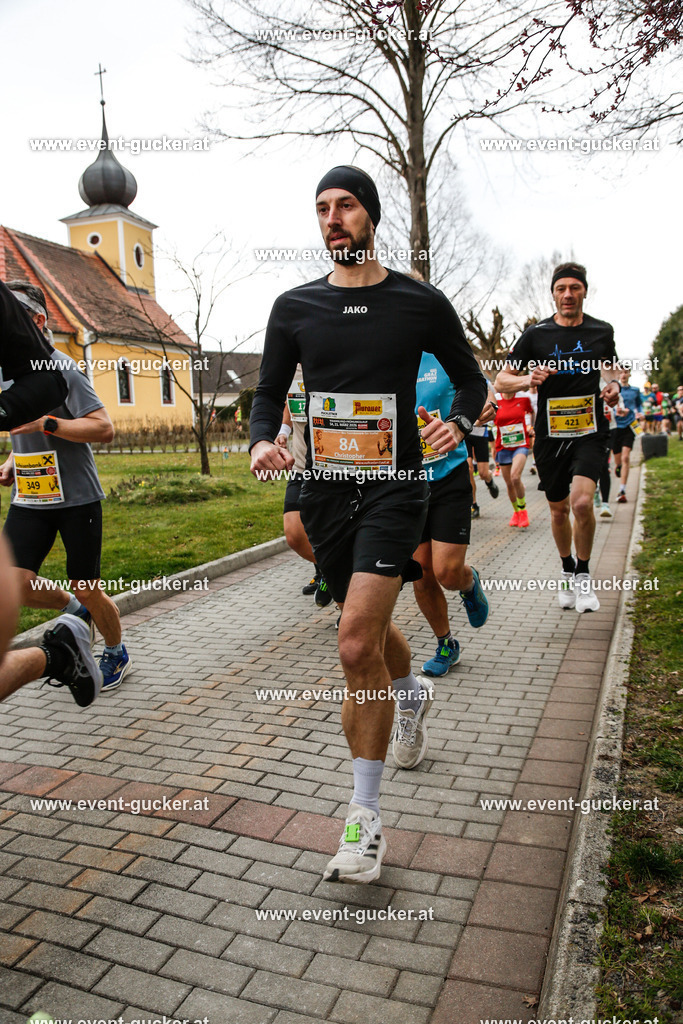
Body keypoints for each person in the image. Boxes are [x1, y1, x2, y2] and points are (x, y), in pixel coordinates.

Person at [250, 165, 487, 883]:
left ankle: (364, 819)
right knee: (370, 632)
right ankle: (410, 692)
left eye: (345, 205)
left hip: (394, 487)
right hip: (324, 490)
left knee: (354, 643)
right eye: (321, 207)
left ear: (369, 216)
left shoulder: (417, 302)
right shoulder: (294, 306)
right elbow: (266, 393)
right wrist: (264, 438)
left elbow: (470, 377)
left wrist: (458, 420)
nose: (332, 218)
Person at [0, 281, 131, 691]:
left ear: (36, 321)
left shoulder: (60, 367)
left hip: (76, 498)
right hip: (32, 496)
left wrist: (48, 423)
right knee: (13, 582)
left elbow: (103, 427)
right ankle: (71, 610)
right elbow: (19, 427)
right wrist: (11, 461)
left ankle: (115, 651)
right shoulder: (6, 372)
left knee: (89, 587)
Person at [495, 261, 620, 614]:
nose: (568, 294)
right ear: (552, 294)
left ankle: (583, 574)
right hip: (551, 436)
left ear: (584, 291)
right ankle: (566, 568)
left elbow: (610, 369)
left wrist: (613, 386)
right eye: (561, 288)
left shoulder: (601, 331)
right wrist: (527, 380)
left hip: (590, 430)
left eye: (574, 288)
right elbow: (501, 381)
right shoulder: (536, 335)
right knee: (559, 509)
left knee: (582, 503)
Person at [409, 353, 491, 690]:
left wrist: (485, 408)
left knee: (446, 571)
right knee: (420, 572)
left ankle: (469, 584)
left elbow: (484, 390)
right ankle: (446, 643)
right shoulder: (381, 352)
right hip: (406, 484)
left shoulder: (442, 351)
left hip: (448, 476)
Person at [276, 368, 332, 607]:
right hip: (301, 464)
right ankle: (330, 571)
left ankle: (343, 592)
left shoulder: (327, 352)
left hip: (334, 465)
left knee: (328, 529)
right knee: (294, 533)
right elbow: (289, 399)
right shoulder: (287, 361)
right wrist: (283, 430)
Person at [493, 388, 534, 528]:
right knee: (509, 483)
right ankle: (516, 512)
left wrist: (531, 427)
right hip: (503, 446)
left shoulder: (523, 398)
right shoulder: (496, 399)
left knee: (515, 476)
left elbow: (531, 412)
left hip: (521, 444)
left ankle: (523, 510)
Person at [611, 366, 642, 504]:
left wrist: (639, 413)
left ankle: (622, 490)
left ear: (629, 374)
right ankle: (618, 467)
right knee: (618, 461)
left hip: (629, 425)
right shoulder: (612, 389)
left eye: (626, 372)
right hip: (615, 427)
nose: (623, 374)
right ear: (618, 374)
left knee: (625, 457)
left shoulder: (635, 390)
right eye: (621, 372)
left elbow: (639, 406)